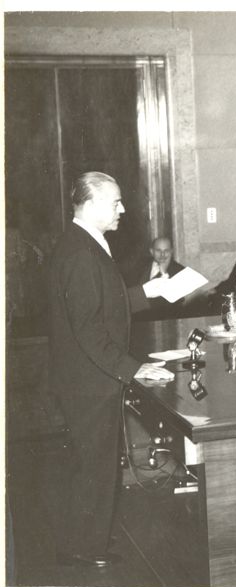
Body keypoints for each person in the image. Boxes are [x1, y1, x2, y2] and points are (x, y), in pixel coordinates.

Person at [48, 172, 174, 567]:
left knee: (94, 465)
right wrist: (134, 370)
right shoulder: (82, 252)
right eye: (115, 202)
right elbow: (89, 329)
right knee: (94, 467)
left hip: (88, 377)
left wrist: (145, 292)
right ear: (90, 204)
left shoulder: (81, 243)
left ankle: (85, 542)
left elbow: (104, 303)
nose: (123, 209)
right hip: (90, 381)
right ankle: (84, 550)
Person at [132, 236, 186, 321]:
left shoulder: (181, 271)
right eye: (158, 250)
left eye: (166, 251)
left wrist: (163, 273)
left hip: (166, 321)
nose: (162, 255)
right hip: (139, 320)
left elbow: (178, 305)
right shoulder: (139, 267)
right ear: (151, 251)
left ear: (172, 251)